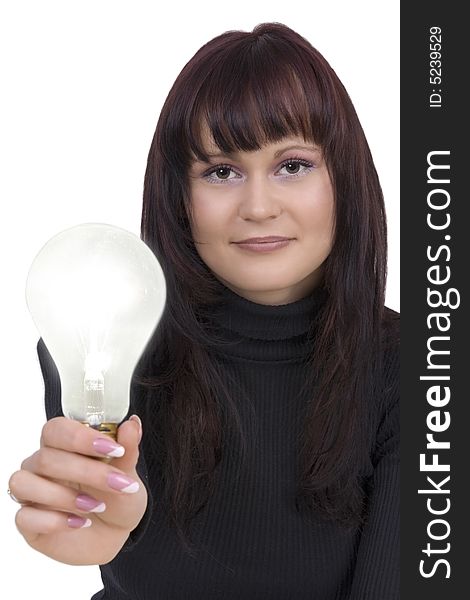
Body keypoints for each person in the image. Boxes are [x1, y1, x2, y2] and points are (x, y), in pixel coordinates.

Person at [8, 22, 399, 599]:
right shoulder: (105, 349)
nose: (259, 207)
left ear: (345, 177)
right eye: (221, 171)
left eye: (292, 165)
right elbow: (112, 537)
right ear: (177, 196)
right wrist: (104, 528)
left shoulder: (422, 370)